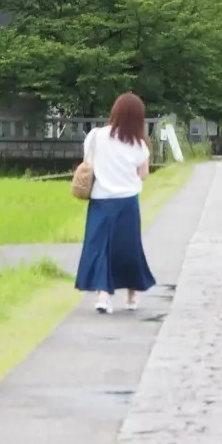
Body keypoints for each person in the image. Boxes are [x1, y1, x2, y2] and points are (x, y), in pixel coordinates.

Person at [74, 92, 156, 314]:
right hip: (128, 202)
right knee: (128, 249)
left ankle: (103, 296)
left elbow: (87, 164)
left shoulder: (96, 136)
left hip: (101, 201)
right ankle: (132, 293)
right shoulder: (139, 144)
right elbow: (144, 173)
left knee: (100, 247)